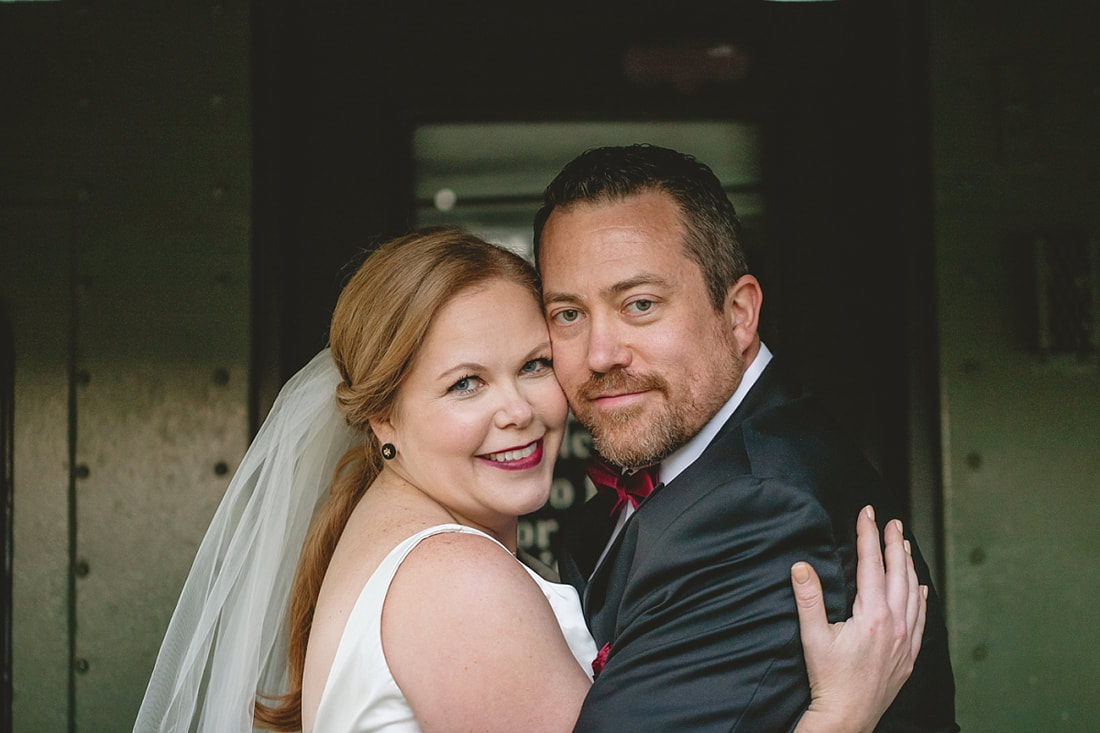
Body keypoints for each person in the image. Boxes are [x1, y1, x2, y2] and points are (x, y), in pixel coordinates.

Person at [134, 228, 925, 733]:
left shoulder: (389, 535)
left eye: (534, 365)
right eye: (465, 384)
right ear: (383, 417)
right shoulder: (456, 579)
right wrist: (840, 716)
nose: (518, 411)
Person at [533, 144, 959, 731]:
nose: (601, 354)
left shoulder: (761, 511)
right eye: (568, 314)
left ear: (738, 313)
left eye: (640, 304)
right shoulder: (708, 462)